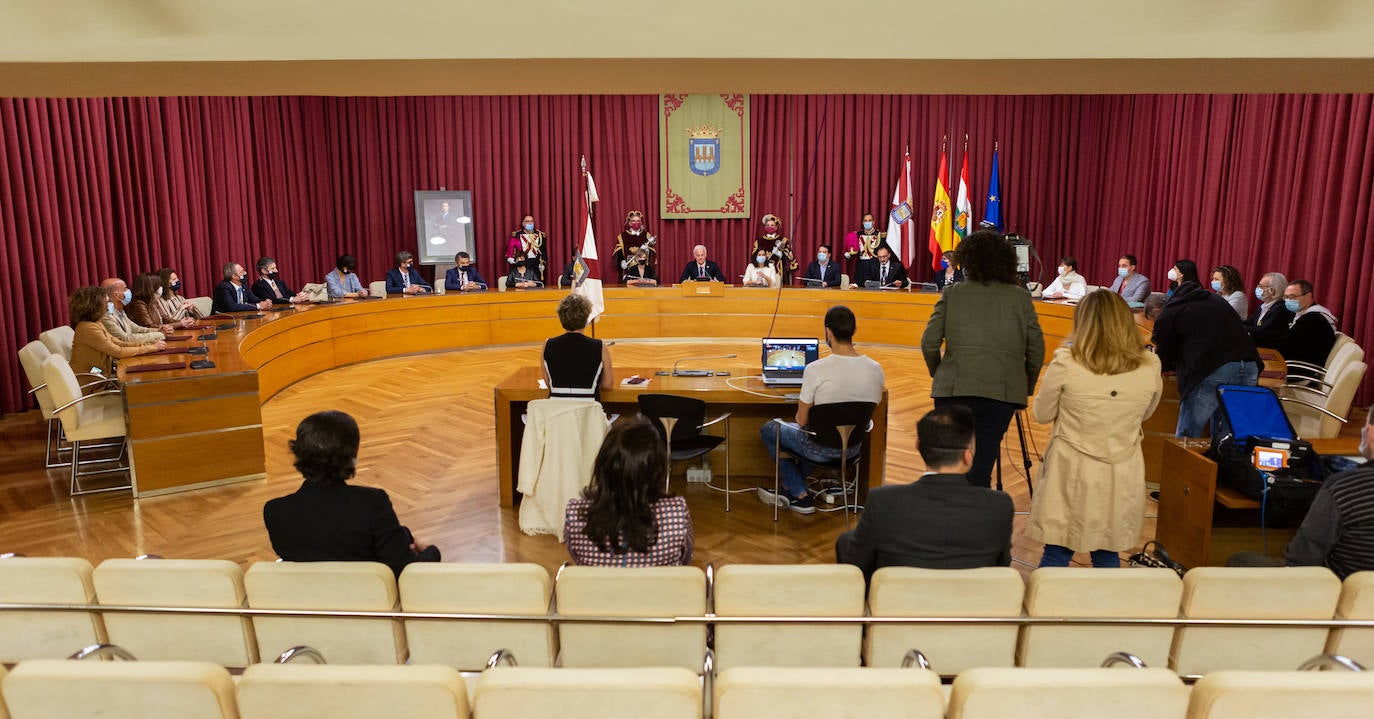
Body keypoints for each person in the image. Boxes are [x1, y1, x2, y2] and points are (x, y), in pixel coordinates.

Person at [1027, 291, 1163, 568]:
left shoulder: (1067, 361)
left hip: (1071, 467)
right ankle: (1104, 609)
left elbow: (1042, 414)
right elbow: (1146, 413)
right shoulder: (1150, 364)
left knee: (1057, 550)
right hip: (1122, 468)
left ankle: (1045, 608)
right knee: (1107, 551)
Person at [922, 230, 1045, 488]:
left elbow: (929, 342)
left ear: (967, 262)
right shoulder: (1020, 297)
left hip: (952, 389)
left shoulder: (953, 293)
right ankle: (977, 520)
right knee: (980, 470)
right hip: (1000, 394)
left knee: (949, 467)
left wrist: (940, 373)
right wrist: (1025, 386)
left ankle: (945, 521)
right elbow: (1036, 351)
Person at [835, 405, 1013, 576]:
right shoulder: (1000, 504)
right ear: (968, 455)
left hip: (899, 601)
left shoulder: (882, 500)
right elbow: (1001, 566)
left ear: (918, 446)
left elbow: (857, 565)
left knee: (846, 541)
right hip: (973, 603)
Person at [263, 411, 440, 577]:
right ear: (351, 457)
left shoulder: (275, 511)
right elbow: (404, 572)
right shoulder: (372, 503)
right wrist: (431, 552)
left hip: (309, 603)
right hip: (368, 602)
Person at [759, 305, 885, 514]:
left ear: (828, 332)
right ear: (854, 331)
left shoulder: (816, 369)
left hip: (819, 448)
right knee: (819, 433)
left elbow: (801, 421)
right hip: (853, 448)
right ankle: (790, 487)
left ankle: (800, 494)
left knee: (771, 429)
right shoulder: (876, 369)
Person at [1227, 406, 1374, 578]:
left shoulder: (1343, 487)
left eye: (1365, 426)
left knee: (1240, 561)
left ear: (1371, 432)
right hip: (1362, 597)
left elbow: (1301, 560)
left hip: (1336, 593)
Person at [564, 416, 694, 566]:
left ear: (602, 466)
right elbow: (685, 558)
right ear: (658, 469)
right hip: (659, 589)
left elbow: (578, 560)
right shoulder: (677, 513)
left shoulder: (575, 514)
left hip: (597, 589)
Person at [1151, 264, 1262, 438]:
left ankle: (1185, 465)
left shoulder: (1169, 313)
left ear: (1157, 311)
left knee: (1188, 434)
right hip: (1249, 366)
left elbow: (1163, 353)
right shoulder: (1214, 299)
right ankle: (1223, 464)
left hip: (1213, 367)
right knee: (1231, 435)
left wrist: (1161, 368)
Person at [68, 285, 165, 381]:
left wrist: (149, 345)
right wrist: (152, 348)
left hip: (101, 376)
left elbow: (119, 342)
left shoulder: (96, 323)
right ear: (95, 305)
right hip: (92, 381)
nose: (108, 306)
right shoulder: (88, 328)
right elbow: (118, 352)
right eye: (106, 302)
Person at [543, 293, 614, 400]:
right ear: (586, 318)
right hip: (588, 412)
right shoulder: (600, 347)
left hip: (556, 411)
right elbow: (607, 385)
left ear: (561, 317)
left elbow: (548, 383)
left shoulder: (547, 344)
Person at [1278, 279, 1339, 378]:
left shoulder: (1314, 319)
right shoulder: (1304, 315)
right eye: (1286, 297)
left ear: (1308, 296)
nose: (1288, 300)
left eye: (1292, 296)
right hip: (1295, 365)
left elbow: (1287, 345)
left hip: (1302, 372)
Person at [101, 277, 165, 343]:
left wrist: (159, 330)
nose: (129, 290)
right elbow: (125, 339)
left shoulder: (119, 311)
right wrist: (160, 334)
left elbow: (136, 329)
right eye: (125, 289)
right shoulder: (107, 316)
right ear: (117, 295)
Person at [126, 272, 192, 332]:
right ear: (151, 287)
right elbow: (150, 326)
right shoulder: (138, 304)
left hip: (160, 335)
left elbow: (165, 319)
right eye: (158, 286)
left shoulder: (152, 300)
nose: (161, 288)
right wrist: (179, 324)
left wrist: (182, 321)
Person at [1244, 271, 1294, 349]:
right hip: (1258, 348)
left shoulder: (1281, 308)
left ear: (1272, 290)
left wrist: (1239, 326)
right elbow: (1249, 322)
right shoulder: (1263, 306)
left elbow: (1263, 331)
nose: (1257, 288)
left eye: (1261, 286)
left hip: (1272, 352)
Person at [750, 214, 797, 284]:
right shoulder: (759, 241)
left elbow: (790, 256)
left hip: (778, 271)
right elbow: (754, 257)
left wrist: (792, 262)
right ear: (765, 227)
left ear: (776, 227)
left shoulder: (783, 240)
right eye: (768, 225)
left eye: (772, 225)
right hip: (763, 271)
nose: (770, 227)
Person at [613, 210, 657, 281]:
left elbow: (652, 255)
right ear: (629, 223)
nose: (636, 223)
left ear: (641, 223)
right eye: (633, 221)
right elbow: (619, 253)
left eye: (638, 221)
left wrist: (647, 250)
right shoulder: (622, 236)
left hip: (643, 269)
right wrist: (622, 261)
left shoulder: (646, 236)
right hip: (628, 269)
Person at [842, 212, 886, 282]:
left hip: (875, 268)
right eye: (865, 221)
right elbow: (854, 251)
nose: (867, 222)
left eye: (869, 220)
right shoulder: (856, 235)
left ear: (873, 222)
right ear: (862, 222)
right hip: (860, 268)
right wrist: (848, 255)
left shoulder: (880, 235)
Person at [506, 214, 547, 282]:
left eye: (531, 221)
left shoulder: (540, 235)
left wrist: (543, 263)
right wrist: (510, 258)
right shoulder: (517, 235)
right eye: (527, 221)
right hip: (522, 265)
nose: (530, 223)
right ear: (523, 223)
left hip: (536, 266)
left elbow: (544, 251)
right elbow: (510, 249)